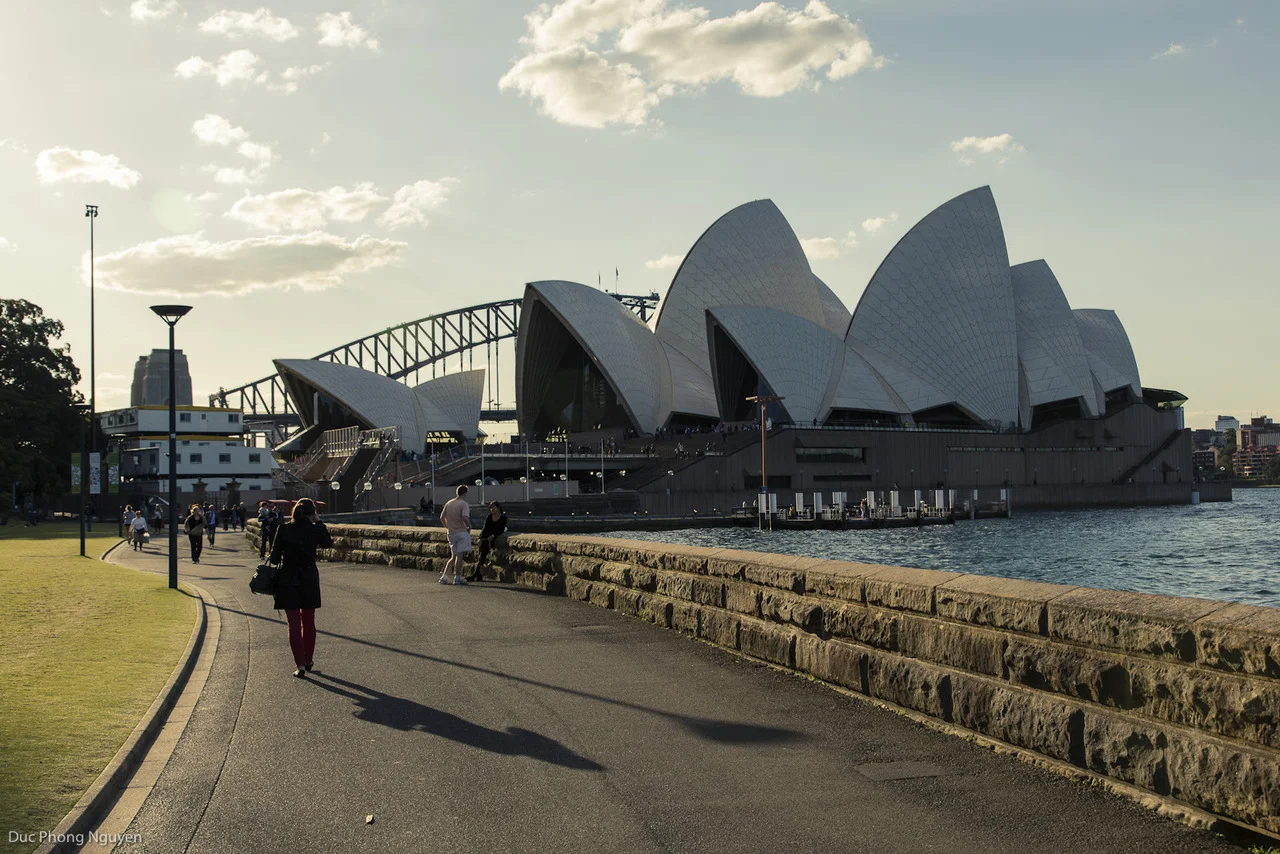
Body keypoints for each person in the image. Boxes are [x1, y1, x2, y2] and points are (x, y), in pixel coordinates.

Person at [268, 498, 332, 678]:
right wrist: (319, 522)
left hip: (288, 579)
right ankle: (309, 659)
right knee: (309, 622)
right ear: (312, 513)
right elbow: (327, 543)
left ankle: (300, 665)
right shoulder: (314, 529)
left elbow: (273, 559)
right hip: (309, 577)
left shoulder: (284, 529)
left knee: (294, 625)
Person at [438, 485, 472, 585]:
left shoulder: (449, 503)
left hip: (451, 533)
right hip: (461, 532)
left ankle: (444, 576)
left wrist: (447, 526)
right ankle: (457, 578)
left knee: (453, 556)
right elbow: (465, 517)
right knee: (460, 557)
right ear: (465, 493)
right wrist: (469, 526)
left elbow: (441, 517)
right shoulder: (464, 504)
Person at [467, 501, 508, 582]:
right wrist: (480, 538)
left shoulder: (503, 518)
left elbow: (500, 529)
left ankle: (476, 574)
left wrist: (492, 536)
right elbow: (484, 528)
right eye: (490, 508)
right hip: (486, 538)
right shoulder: (489, 517)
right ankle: (477, 574)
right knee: (482, 554)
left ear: (498, 507)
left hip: (494, 538)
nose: (492, 509)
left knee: (482, 554)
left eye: (493, 507)